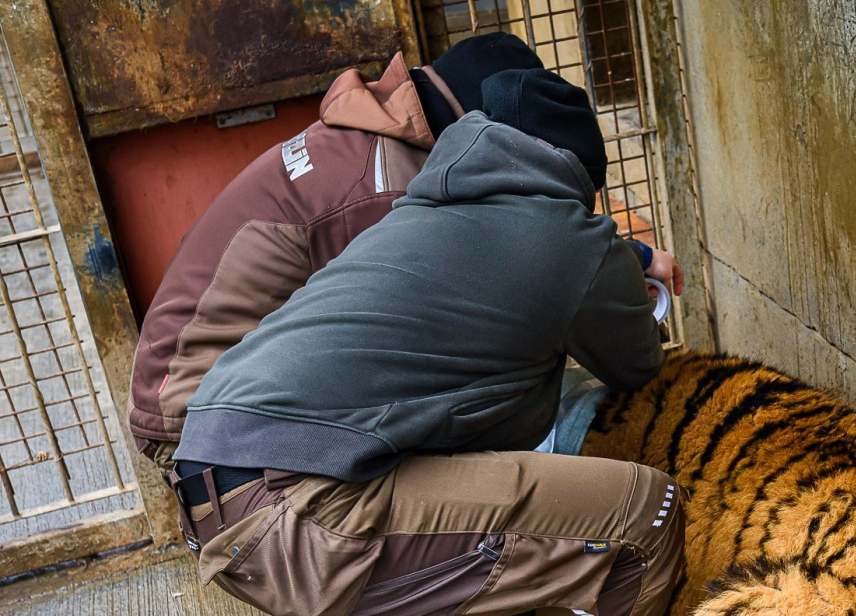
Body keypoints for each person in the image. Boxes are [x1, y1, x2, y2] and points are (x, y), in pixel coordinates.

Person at [47, 69, 685, 616]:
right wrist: (630, 268)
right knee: (644, 512)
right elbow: (637, 360)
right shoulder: (570, 236)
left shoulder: (415, 207)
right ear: (577, 175)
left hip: (213, 499)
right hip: (299, 510)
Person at [127, 32, 681, 472]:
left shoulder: (370, 134)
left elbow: (509, 241)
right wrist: (613, 266)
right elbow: (513, 262)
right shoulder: (385, 190)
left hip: (210, 393)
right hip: (199, 416)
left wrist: (622, 255)